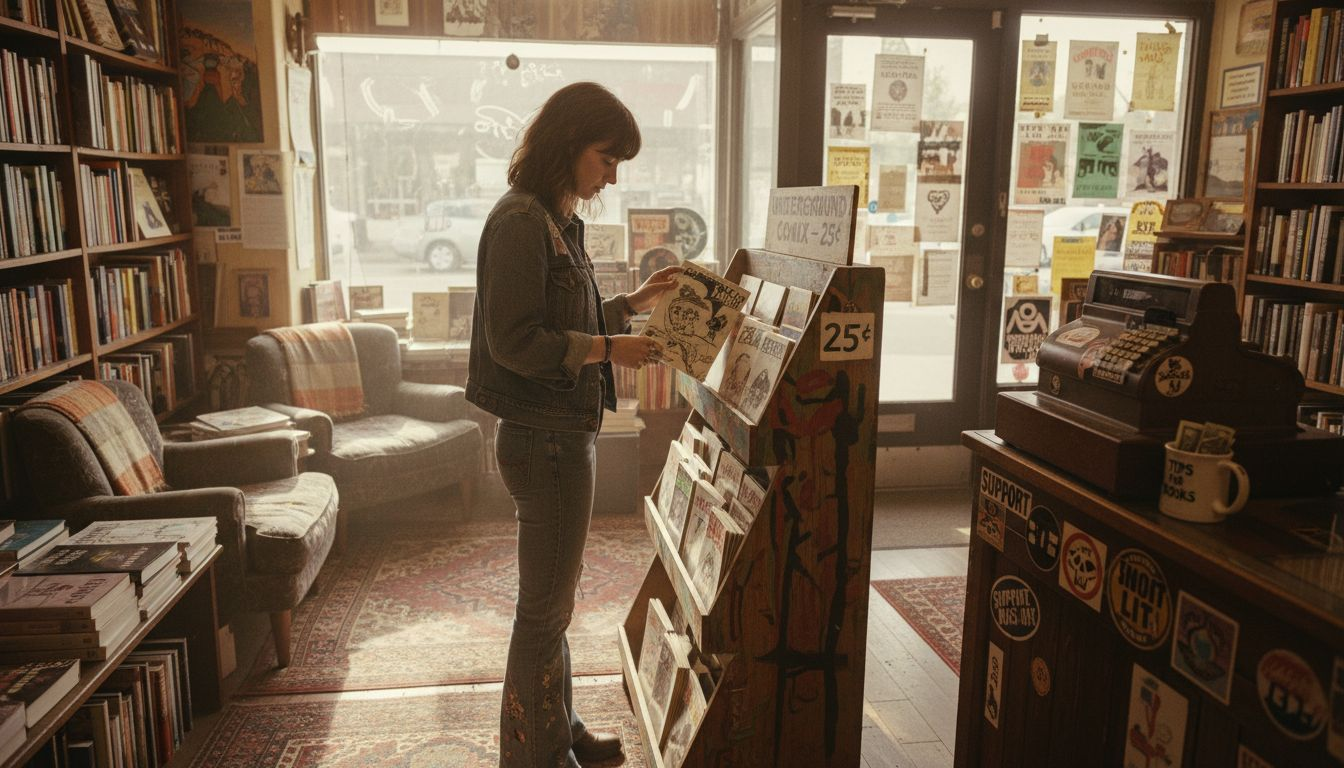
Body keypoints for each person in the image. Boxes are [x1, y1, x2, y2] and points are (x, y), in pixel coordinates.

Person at [466, 81, 680, 768]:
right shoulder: (521, 222)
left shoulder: (554, 219)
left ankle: (559, 729)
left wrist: (632, 303)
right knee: (543, 611)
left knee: (554, 605)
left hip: (561, 433)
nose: (612, 177)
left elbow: (565, 319)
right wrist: (609, 348)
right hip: (546, 439)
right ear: (567, 145)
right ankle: (535, 755)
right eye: (606, 158)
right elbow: (514, 341)